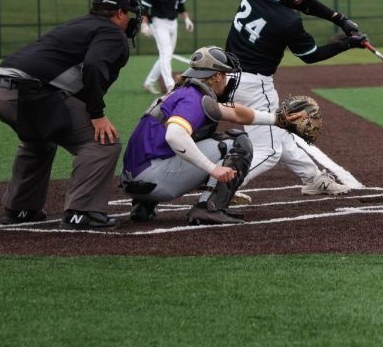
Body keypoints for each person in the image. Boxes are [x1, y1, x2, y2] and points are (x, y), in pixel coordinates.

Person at [0, 0, 142, 230]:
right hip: (32, 92)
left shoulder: (78, 24)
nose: (131, 19)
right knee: (103, 143)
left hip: (1, 88)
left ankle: (21, 209)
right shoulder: (113, 32)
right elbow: (93, 66)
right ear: (119, 13)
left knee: (40, 140)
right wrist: (97, 114)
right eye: (129, 13)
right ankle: (81, 212)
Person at [225, 0, 367, 197]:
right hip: (254, 84)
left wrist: (339, 19)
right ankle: (221, 186)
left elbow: (304, 2)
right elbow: (311, 55)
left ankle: (314, 179)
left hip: (228, 75)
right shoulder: (288, 22)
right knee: (268, 150)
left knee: (280, 134)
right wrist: (348, 43)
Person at [120, 45, 303, 225]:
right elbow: (174, 136)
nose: (227, 79)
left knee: (185, 142)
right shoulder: (194, 98)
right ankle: (210, 207)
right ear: (216, 76)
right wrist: (212, 169)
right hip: (155, 180)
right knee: (237, 142)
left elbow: (236, 113)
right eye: (224, 74)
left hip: (135, 181)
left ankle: (143, 206)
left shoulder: (182, 92)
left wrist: (277, 119)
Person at [140, 0, 194, 94]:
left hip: (173, 22)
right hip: (159, 23)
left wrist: (187, 19)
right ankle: (170, 85)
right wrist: (144, 24)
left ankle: (148, 83)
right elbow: (144, 7)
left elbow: (181, 5)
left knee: (166, 55)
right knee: (166, 53)